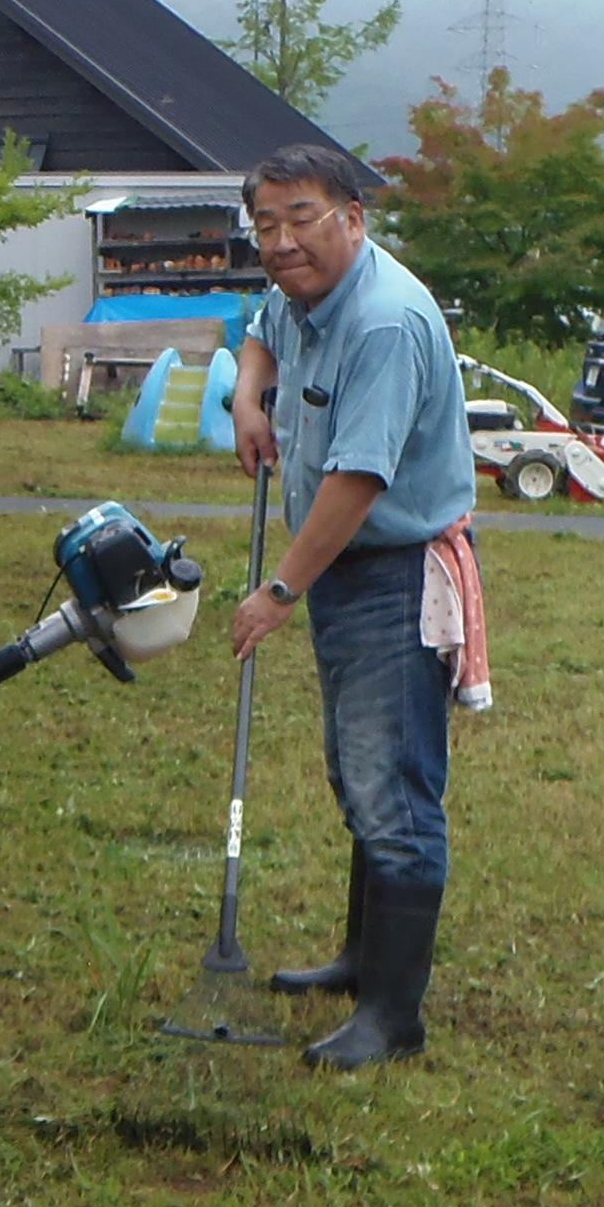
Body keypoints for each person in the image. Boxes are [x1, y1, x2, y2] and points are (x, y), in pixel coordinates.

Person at [223, 141, 478, 1069]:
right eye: (266, 224)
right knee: (358, 768)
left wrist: (280, 589)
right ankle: (362, 960)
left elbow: (357, 480)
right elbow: (258, 327)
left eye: (302, 219)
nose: (282, 241)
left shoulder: (380, 323)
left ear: (354, 219)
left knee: (393, 783)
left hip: (393, 571)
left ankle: (393, 1018)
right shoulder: (301, 296)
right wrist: (253, 397)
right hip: (348, 572)